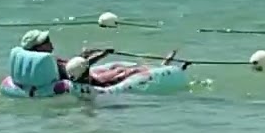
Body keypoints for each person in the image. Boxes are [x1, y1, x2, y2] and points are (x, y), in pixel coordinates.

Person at [19, 29, 176, 87]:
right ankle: (163, 66)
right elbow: (77, 69)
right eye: (45, 41)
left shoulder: (43, 62)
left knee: (116, 68)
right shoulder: (48, 62)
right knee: (127, 72)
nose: (50, 42)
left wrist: (84, 55)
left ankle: (159, 65)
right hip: (90, 81)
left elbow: (74, 65)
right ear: (38, 48)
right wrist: (102, 54)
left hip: (87, 75)